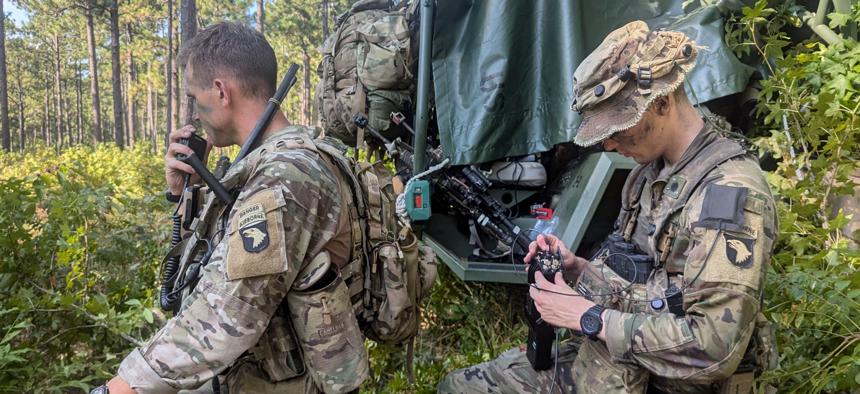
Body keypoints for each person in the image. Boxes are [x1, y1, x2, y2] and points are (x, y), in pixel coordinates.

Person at [438, 20, 778, 394]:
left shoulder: (729, 196)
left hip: (672, 383)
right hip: (620, 367)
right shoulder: (648, 174)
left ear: (662, 102)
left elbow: (714, 347)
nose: (610, 145)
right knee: (462, 386)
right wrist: (578, 270)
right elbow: (643, 282)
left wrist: (588, 317)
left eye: (618, 129)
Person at [93, 22, 368, 394]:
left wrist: (119, 388)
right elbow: (206, 271)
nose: (194, 111)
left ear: (221, 91)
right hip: (255, 372)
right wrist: (183, 195)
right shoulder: (268, 165)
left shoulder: (286, 177)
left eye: (194, 96)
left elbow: (225, 316)